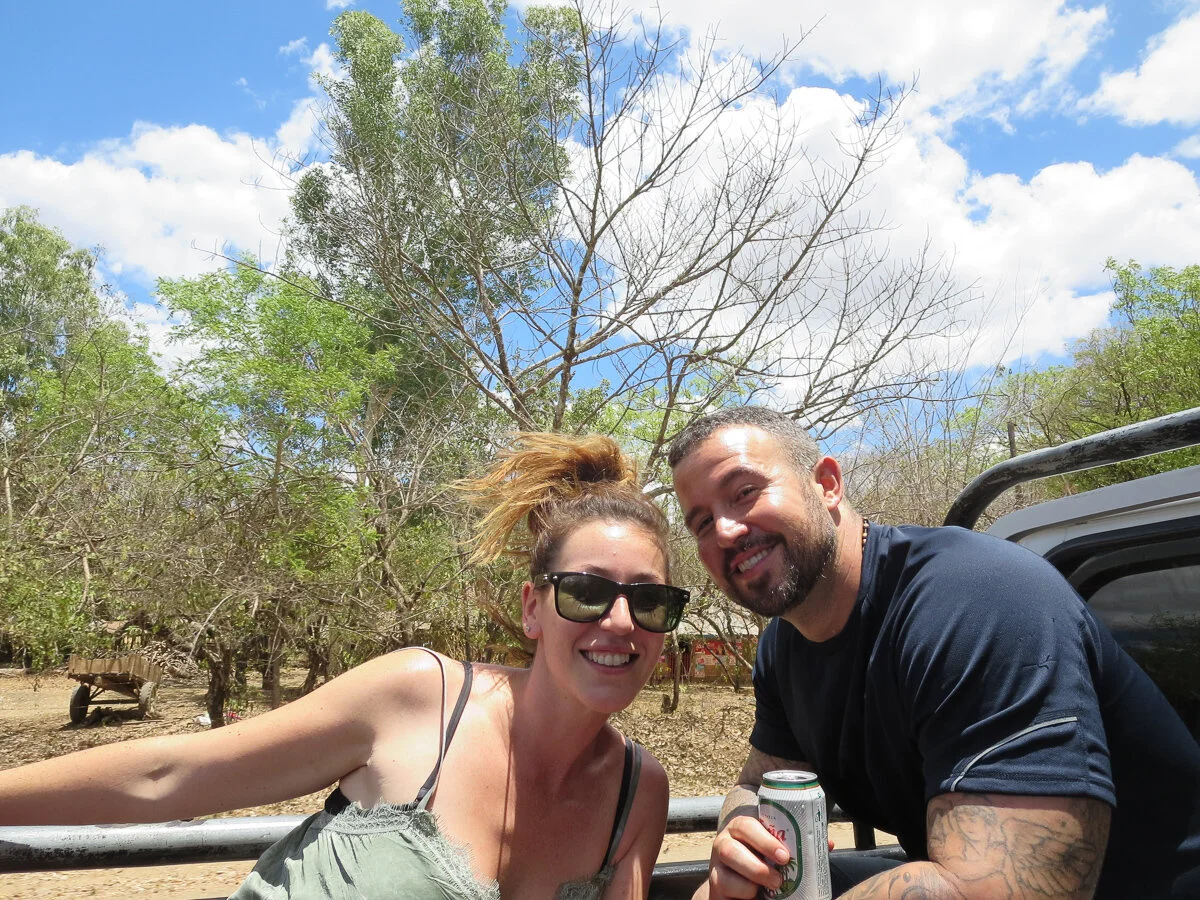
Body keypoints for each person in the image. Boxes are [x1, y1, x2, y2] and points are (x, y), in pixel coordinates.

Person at [0, 433, 689, 899]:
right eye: (587, 592)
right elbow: (167, 776)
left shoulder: (637, 793)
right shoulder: (421, 697)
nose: (620, 621)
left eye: (651, 601)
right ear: (533, 609)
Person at [667, 406, 1200, 900]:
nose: (726, 531)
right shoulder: (782, 647)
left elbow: (1000, 890)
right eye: (702, 523)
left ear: (826, 484)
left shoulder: (977, 598)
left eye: (744, 492)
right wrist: (740, 834)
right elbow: (757, 783)